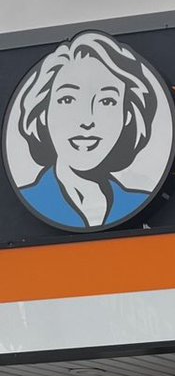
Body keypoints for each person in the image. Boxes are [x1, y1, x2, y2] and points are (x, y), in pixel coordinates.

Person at [13, 31, 161, 229]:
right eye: (67, 99)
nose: (87, 120)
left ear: (127, 115)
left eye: (106, 101)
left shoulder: (135, 201)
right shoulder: (34, 198)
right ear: (43, 112)